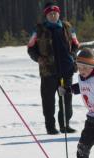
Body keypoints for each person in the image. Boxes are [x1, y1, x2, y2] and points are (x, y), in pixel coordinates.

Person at [27, 1, 80, 135]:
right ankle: (50, 127)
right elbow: (30, 48)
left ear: (58, 13)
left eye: (55, 13)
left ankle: (65, 125)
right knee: (48, 101)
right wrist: (38, 59)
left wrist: (72, 56)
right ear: (46, 15)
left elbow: (75, 44)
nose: (53, 15)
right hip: (48, 71)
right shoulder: (38, 30)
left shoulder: (68, 28)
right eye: (50, 13)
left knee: (66, 101)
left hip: (66, 70)